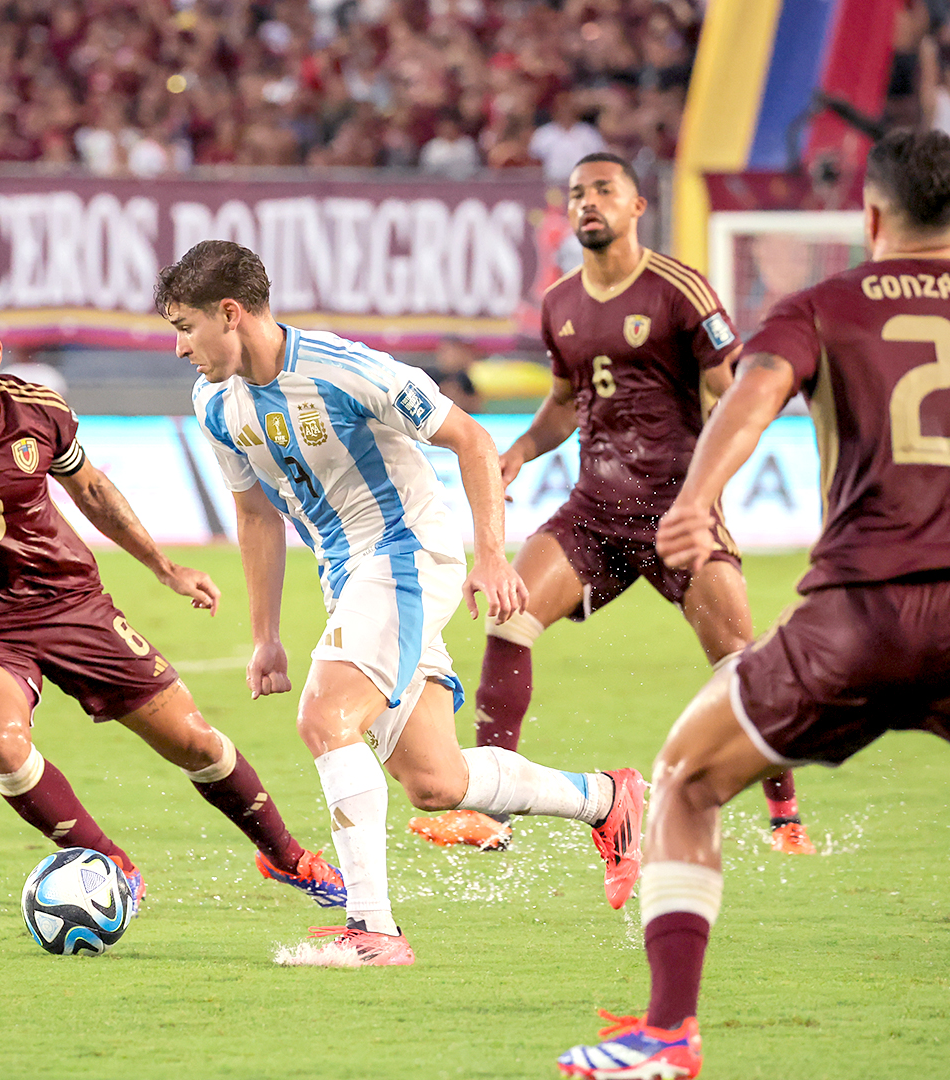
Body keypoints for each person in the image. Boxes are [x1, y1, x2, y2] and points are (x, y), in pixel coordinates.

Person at [558, 126, 950, 1078]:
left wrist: (692, 504)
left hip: (855, 617)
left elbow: (752, 393)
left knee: (686, 782)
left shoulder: (823, 303)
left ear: (868, 214)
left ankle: (666, 1036)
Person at [156, 240, 648, 967]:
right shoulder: (216, 403)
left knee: (326, 718)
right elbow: (257, 515)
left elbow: (472, 441)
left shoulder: (345, 371)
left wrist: (489, 556)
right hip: (351, 577)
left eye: (184, 327)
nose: (178, 349)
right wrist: (266, 636)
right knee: (434, 781)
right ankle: (609, 800)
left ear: (230, 314)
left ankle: (374, 930)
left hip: (407, 553)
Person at [0, 286, 345, 916]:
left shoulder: (37, 410)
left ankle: (286, 856)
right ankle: (111, 865)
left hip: (73, 605)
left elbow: (91, 490)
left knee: (199, 744)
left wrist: (164, 567)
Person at [409, 153, 814, 857]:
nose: (588, 201)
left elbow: (741, 391)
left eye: (603, 190)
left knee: (737, 664)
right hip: (594, 510)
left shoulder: (679, 290)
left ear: (635, 207)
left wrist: (708, 487)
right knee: (510, 615)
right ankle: (487, 811)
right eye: (577, 193)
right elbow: (566, 403)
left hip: (678, 510)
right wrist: (519, 452)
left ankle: (786, 818)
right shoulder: (561, 303)